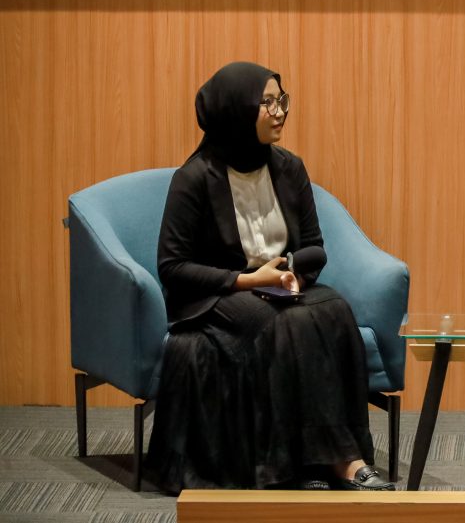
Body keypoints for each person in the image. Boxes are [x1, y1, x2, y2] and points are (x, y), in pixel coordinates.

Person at [145, 61, 395, 493]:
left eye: (282, 99)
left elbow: (316, 245)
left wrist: (290, 271)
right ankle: (323, 463)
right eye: (267, 102)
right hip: (217, 294)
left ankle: (334, 454)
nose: (280, 111)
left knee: (334, 309)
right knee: (288, 324)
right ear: (236, 111)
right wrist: (246, 281)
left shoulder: (289, 168)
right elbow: (172, 266)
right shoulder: (194, 179)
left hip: (279, 285)